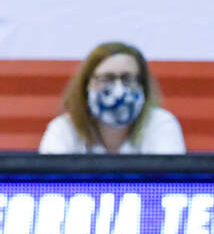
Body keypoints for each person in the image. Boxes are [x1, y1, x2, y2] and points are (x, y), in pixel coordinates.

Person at [38, 41, 187, 154]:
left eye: (127, 79)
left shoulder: (160, 124)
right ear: (87, 84)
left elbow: (171, 184)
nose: (118, 91)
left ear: (143, 85)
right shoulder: (65, 129)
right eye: (106, 78)